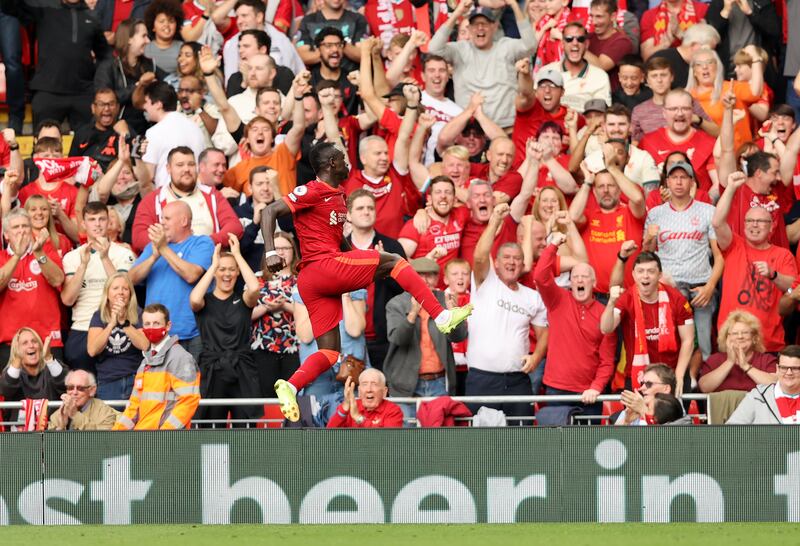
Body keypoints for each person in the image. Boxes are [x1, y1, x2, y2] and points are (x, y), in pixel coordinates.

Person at [260, 141, 473, 422]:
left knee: (329, 350)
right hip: (321, 268)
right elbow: (268, 211)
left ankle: (291, 386)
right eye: (344, 159)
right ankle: (441, 315)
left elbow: (340, 242)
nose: (349, 164)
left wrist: (360, 258)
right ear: (331, 164)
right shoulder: (313, 189)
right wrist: (271, 250)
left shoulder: (337, 195)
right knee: (395, 261)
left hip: (317, 279)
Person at [465, 204, 548, 424]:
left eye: (517, 259)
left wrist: (536, 357)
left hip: (517, 379)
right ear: (498, 264)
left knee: (520, 442)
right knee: (479, 443)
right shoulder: (485, 281)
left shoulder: (532, 297)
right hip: (481, 378)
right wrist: (494, 221)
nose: (512, 262)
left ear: (523, 264)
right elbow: (481, 257)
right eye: (507, 258)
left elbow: (545, 333)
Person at [644, 161, 722, 360]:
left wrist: (710, 286)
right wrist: (650, 238)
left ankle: (701, 384)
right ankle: (674, 383)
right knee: (670, 341)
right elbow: (647, 255)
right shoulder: (655, 214)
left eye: (683, 177)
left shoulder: (707, 211)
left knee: (704, 342)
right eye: (674, 178)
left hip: (700, 286)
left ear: (692, 182)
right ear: (667, 182)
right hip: (670, 286)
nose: (678, 182)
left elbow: (720, 256)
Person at [713, 171, 797, 354]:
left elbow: (793, 288)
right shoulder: (734, 245)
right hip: (731, 342)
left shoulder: (783, 255)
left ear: (772, 226)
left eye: (760, 221)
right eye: (750, 221)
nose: (754, 225)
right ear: (744, 225)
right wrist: (731, 188)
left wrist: (773, 275)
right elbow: (718, 223)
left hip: (768, 345)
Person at [533, 233, 616, 415]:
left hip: (589, 394)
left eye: (584, 276)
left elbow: (607, 361)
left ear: (593, 283)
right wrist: (553, 245)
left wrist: (596, 387)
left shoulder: (605, 314)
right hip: (556, 390)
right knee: (556, 443)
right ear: (570, 282)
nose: (579, 279)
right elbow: (540, 276)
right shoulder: (558, 299)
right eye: (575, 276)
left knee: (587, 443)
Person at [428, 0, 538, 129]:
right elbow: (433, 48)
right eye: (475, 24)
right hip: (469, 130)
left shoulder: (506, 46)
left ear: (494, 26)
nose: (480, 28)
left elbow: (530, 45)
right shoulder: (460, 50)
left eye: (484, 24)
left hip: (504, 129)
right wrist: (457, 12)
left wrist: (514, 5)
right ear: (469, 29)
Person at [1, 0, 111, 129]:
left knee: (88, 147)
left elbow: (105, 56)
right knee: (43, 147)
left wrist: (99, 86)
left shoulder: (92, 16)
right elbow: (10, 7)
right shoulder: (44, 8)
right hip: (48, 93)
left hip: (83, 95)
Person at [128, 201, 215, 363]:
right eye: (162, 218)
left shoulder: (202, 242)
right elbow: (131, 279)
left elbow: (191, 274)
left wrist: (163, 249)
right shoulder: (153, 247)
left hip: (192, 334)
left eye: (167, 218)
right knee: (158, 387)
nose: (162, 223)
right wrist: (154, 256)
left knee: (191, 386)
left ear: (183, 221)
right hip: (156, 334)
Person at [384, 258, 468, 423]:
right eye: (419, 276)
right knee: (406, 440)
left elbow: (459, 336)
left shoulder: (444, 300)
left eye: (430, 275)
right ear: (410, 279)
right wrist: (412, 314)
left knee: (438, 440)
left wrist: (454, 315)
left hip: (438, 382)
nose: (424, 280)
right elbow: (397, 339)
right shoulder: (397, 304)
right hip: (405, 384)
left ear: (437, 279)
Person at [600, 251, 696, 395]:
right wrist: (611, 303)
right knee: (637, 418)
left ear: (659, 275)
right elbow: (606, 328)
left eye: (651, 271)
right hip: (638, 376)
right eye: (640, 271)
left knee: (673, 418)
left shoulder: (676, 299)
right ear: (633, 275)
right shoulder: (626, 299)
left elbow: (688, 340)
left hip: (672, 376)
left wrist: (679, 375)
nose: (645, 276)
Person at [190, 234, 261, 426]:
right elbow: (194, 299)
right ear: (214, 273)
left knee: (244, 429)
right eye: (222, 270)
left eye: (231, 270)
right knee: (211, 428)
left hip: (242, 369)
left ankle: (244, 457)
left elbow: (254, 288)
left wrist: (237, 255)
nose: (227, 274)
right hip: (212, 369)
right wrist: (213, 265)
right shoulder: (205, 301)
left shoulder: (243, 300)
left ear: (238, 272)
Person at [62, 202, 137, 372]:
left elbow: (124, 292)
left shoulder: (124, 254)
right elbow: (68, 299)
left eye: (102, 219)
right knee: (81, 388)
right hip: (82, 327)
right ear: (83, 224)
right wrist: (82, 265)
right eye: (92, 219)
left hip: (115, 327)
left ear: (109, 222)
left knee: (113, 389)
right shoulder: (72, 257)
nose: (97, 224)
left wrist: (104, 258)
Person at [132, 146, 243, 253]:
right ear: (168, 169)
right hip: (170, 263)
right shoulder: (153, 200)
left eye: (191, 164)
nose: (186, 169)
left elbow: (235, 227)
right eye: (180, 165)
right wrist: (173, 247)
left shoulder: (213, 195)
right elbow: (139, 237)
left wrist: (206, 243)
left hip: (209, 260)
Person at [344, 190, 407, 371]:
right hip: (349, 337)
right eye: (360, 208)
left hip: (385, 337)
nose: (366, 212)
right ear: (348, 215)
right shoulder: (340, 249)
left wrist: (385, 269)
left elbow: (405, 290)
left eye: (370, 208)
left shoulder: (392, 247)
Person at [112, 303, 201, 430]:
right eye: (147, 324)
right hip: (144, 438)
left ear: (168, 325)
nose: (151, 328)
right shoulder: (146, 362)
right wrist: (116, 433)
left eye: (156, 323)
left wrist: (164, 434)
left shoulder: (180, 358)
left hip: (166, 442)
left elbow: (189, 401)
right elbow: (134, 406)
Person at [0, 208, 65, 365]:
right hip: (11, 343)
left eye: (25, 226)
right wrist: (17, 255)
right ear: (6, 235)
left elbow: (57, 280)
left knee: (52, 389)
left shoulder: (45, 251)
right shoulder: (1, 257)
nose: (21, 231)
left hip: (48, 340)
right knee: (10, 390)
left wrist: (38, 253)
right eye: (16, 227)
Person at [639, 89, 717, 193]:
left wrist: (703, 207)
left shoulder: (709, 142)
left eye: (685, 108)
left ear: (692, 111)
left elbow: (717, 184)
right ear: (664, 113)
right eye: (673, 109)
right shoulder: (647, 142)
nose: (680, 113)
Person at [251, 232, 299, 398]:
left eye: (285, 248)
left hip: (294, 348)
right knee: (267, 397)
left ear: (293, 251)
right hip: (263, 348)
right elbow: (245, 313)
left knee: (292, 397)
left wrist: (284, 305)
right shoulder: (257, 279)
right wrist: (266, 307)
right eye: (276, 248)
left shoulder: (302, 278)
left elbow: (308, 312)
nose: (281, 252)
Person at [87, 273, 149, 401]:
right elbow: (92, 350)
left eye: (125, 289)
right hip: (108, 381)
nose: (121, 292)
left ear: (130, 294)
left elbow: (145, 345)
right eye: (115, 288)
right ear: (107, 294)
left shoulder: (138, 313)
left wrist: (123, 322)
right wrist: (111, 325)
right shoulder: (99, 316)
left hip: (135, 379)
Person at [631, 56, 716, 144]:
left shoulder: (689, 102)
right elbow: (635, 145)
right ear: (647, 81)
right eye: (654, 76)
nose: (659, 80)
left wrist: (698, 120)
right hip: (653, 156)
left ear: (671, 77)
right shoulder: (639, 111)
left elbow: (716, 133)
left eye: (663, 75)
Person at [93, 19, 156, 135]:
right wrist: (138, 85)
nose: (148, 40)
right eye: (144, 36)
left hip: (145, 129)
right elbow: (103, 101)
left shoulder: (151, 65)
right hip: (114, 130)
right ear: (129, 39)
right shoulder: (107, 67)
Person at [222, 0, 305, 85]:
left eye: (244, 16)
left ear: (259, 17)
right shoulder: (231, 44)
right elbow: (229, 84)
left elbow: (298, 71)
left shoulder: (281, 40)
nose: (239, 21)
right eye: (237, 17)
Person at [141, 82, 207, 188]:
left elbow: (147, 176)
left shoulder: (154, 132)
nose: (144, 107)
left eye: (146, 102)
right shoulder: (195, 127)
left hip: (169, 198)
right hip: (197, 195)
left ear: (158, 104)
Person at [698, 310, 778, 393]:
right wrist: (729, 362)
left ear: (754, 337)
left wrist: (745, 366)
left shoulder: (767, 360)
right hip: (725, 406)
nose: (740, 337)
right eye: (735, 333)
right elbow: (704, 387)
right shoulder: (714, 360)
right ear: (726, 338)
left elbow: (775, 386)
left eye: (745, 332)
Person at [0, 328, 66, 426]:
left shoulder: (52, 367)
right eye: (25, 343)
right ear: (17, 349)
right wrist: (18, 358)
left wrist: (48, 358)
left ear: (40, 346)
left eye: (34, 341)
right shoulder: (12, 372)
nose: (31, 346)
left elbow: (66, 384)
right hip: (20, 433)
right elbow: (6, 389)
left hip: (52, 431)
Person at [541, 22, 612, 113]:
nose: (575, 43)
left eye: (580, 39)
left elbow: (600, 117)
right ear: (562, 44)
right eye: (569, 39)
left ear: (586, 44)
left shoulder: (600, 76)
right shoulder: (545, 72)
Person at [727, 346, 800, 424]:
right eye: (784, 368)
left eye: (795, 368)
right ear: (777, 369)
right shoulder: (757, 395)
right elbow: (731, 430)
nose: (789, 373)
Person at [585, 0, 633, 90]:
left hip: (612, 98)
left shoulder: (622, 42)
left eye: (599, 16)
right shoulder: (588, 38)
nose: (594, 22)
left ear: (613, 16)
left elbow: (601, 66)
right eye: (592, 16)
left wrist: (575, 46)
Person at [327, 371, 404, 428]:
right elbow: (329, 437)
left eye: (374, 384)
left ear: (384, 391)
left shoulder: (393, 410)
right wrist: (343, 410)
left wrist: (358, 418)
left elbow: (389, 440)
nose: (369, 389)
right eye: (364, 384)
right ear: (359, 391)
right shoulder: (349, 407)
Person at [48, 370, 118, 430]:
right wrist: (60, 427)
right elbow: (48, 443)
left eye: (80, 388)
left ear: (92, 390)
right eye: (70, 387)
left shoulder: (105, 412)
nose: (74, 392)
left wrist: (75, 415)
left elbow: (104, 440)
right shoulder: (59, 414)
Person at [639, 0, 709, 61]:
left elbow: (707, 49)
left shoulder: (702, 9)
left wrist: (680, 34)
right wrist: (665, 44)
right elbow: (647, 56)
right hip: (662, 69)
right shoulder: (649, 15)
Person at [143, 0, 184, 75]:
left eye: (171, 21)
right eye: (162, 21)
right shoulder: (144, 49)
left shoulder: (183, 48)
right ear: (153, 27)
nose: (166, 25)